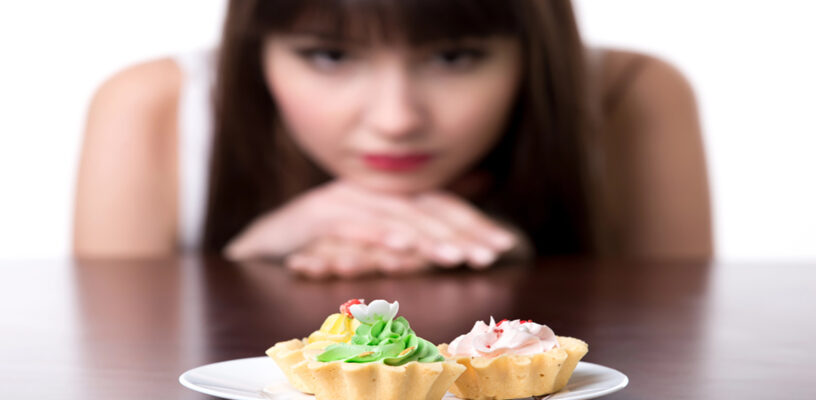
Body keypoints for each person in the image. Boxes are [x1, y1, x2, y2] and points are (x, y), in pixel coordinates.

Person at [73, 0, 712, 277]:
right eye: (328, 55)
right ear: (254, 49)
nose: (396, 119)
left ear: (533, 49)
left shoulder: (630, 97)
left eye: (456, 57)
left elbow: (681, 341)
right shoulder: (155, 107)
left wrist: (505, 256)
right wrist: (247, 259)